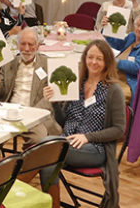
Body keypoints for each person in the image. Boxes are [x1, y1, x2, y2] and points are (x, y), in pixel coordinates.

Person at [38, 40, 127, 208]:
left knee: (46, 148)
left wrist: (87, 137)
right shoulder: (76, 85)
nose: (94, 62)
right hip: (67, 144)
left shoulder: (113, 90)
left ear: (107, 61)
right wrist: (55, 102)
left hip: (95, 148)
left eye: (99, 58)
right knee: (47, 162)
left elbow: (119, 130)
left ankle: (6, 194)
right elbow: (65, 121)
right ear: (84, 58)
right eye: (90, 57)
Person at [0, 29, 60, 144]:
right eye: (23, 44)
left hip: (35, 114)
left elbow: (50, 98)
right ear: (17, 45)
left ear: (38, 46)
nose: (26, 49)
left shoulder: (47, 64)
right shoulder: (8, 62)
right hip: (9, 113)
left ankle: (26, 161)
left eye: (30, 44)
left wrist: (30, 113)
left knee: (39, 139)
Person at [102, 13, 140, 98]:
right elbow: (117, 44)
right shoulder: (133, 36)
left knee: (106, 96)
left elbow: (137, 67)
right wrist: (106, 29)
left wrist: (114, 61)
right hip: (116, 76)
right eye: (138, 25)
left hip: (129, 83)